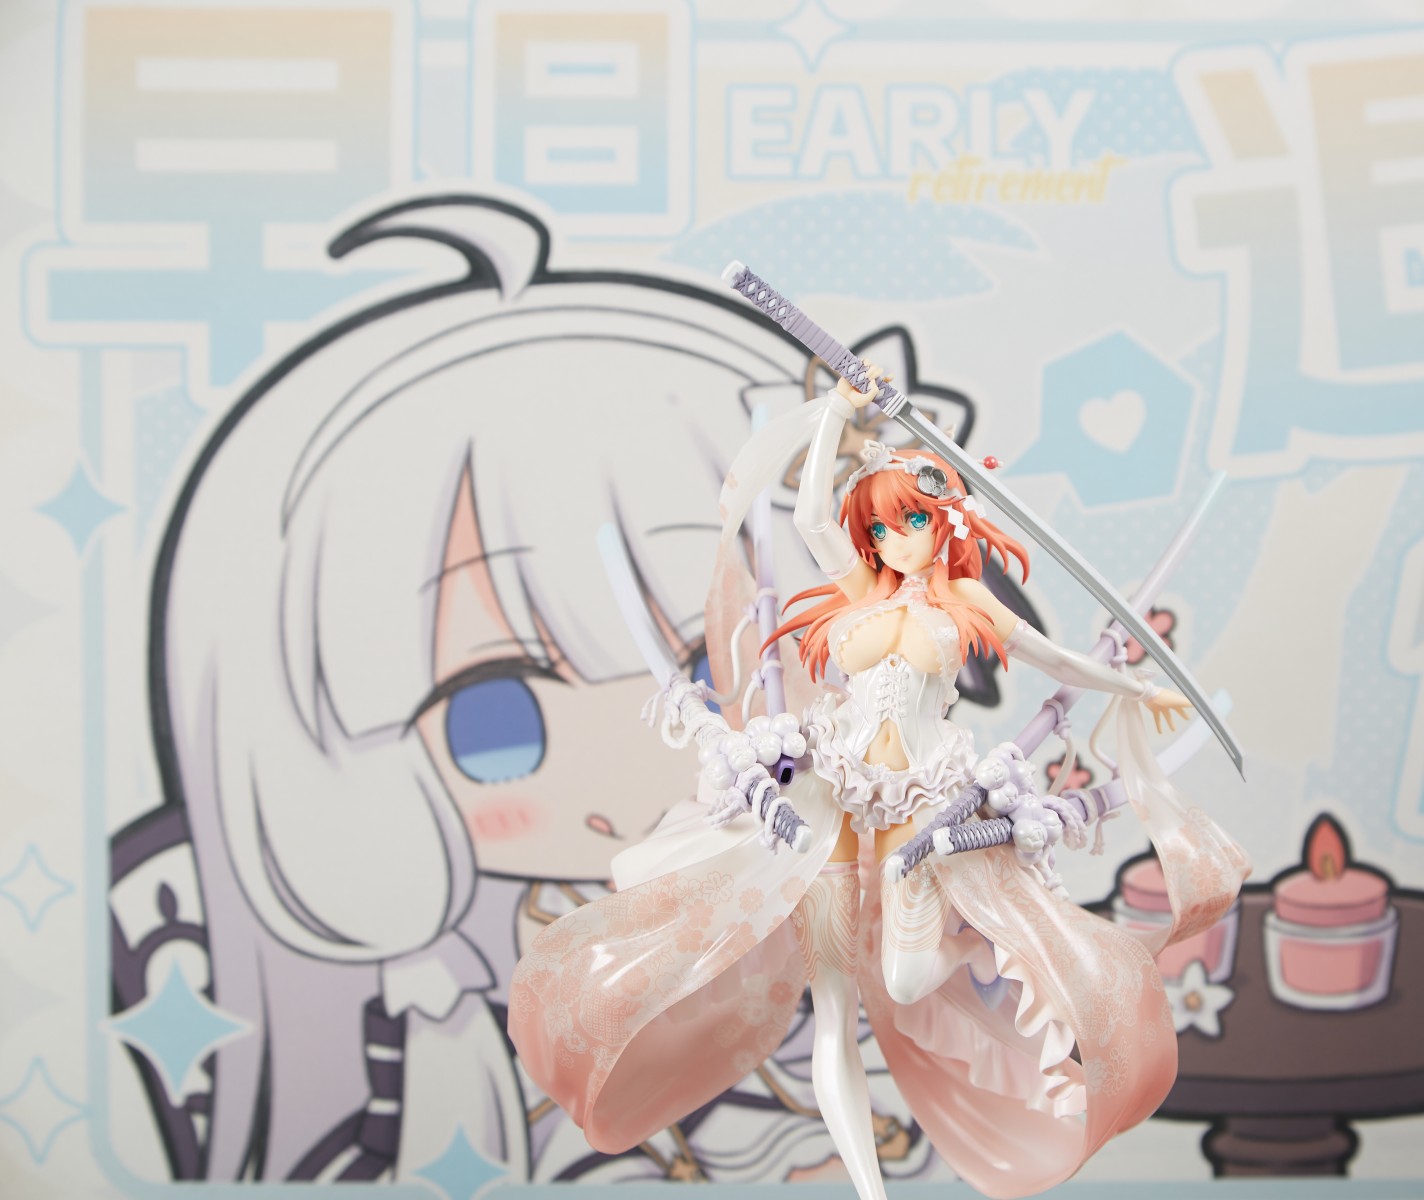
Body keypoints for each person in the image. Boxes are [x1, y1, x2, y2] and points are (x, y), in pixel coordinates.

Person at [136, 197, 946, 1185]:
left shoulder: (819, 842)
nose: (630, 779)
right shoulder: (464, 990)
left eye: (711, 668)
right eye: (496, 723)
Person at [510, 356, 1252, 1198]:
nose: (893, 541)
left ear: (944, 520)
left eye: (909, 522)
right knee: (833, 1002)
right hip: (832, 793)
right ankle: (871, 1191)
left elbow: (1060, 662)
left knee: (901, 980)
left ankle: (970, 939)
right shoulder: (859, 586)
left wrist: (1137, 688)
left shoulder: (967, 603)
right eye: (880, 528)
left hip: (918, 807)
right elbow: (809, 512)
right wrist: (836, 408)